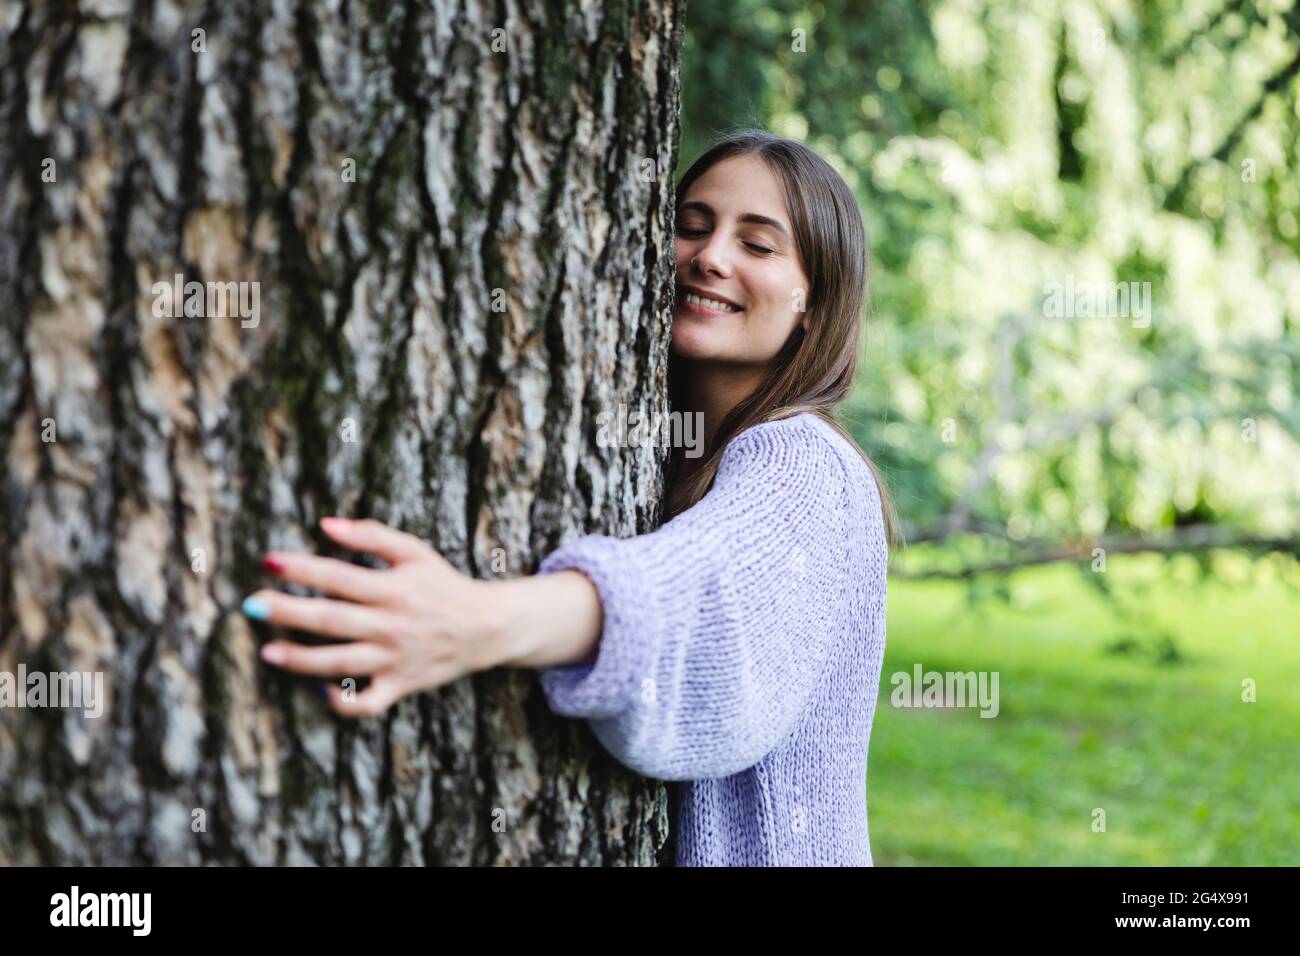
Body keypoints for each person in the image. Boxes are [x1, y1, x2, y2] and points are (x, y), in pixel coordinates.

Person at [243, 128, 901, 866]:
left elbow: (704, 602)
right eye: (691, 227)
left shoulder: (805, 460)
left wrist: (470, 620)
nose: (710, 257)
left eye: (758, 245)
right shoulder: (673, 455)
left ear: (814, 298)